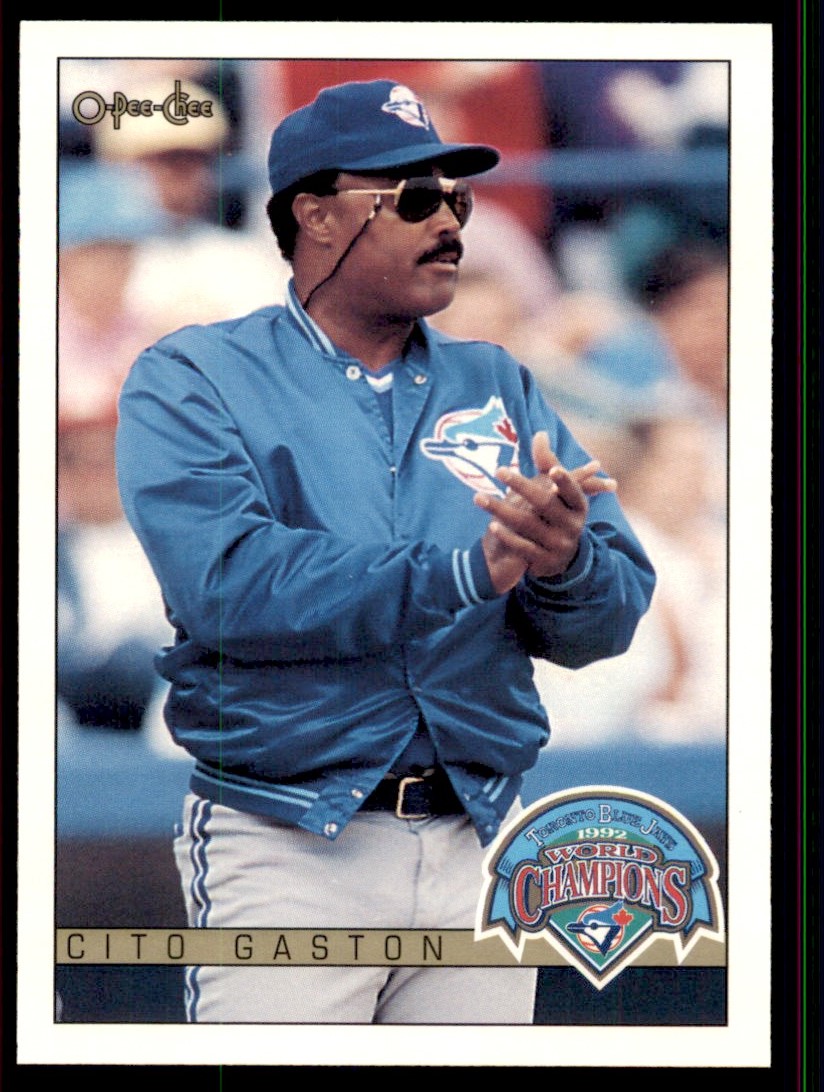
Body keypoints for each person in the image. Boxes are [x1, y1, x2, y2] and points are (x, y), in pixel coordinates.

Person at [115, 79, 655, 1025]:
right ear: (316, 215)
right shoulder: (196, 375)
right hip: (288, 840)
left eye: (457, 198)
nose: (448, 221)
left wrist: (565, 565)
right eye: (413, 197)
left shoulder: (495, 380)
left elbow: (606, 621)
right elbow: (226, 585)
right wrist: (460, 574)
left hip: (476, 834)